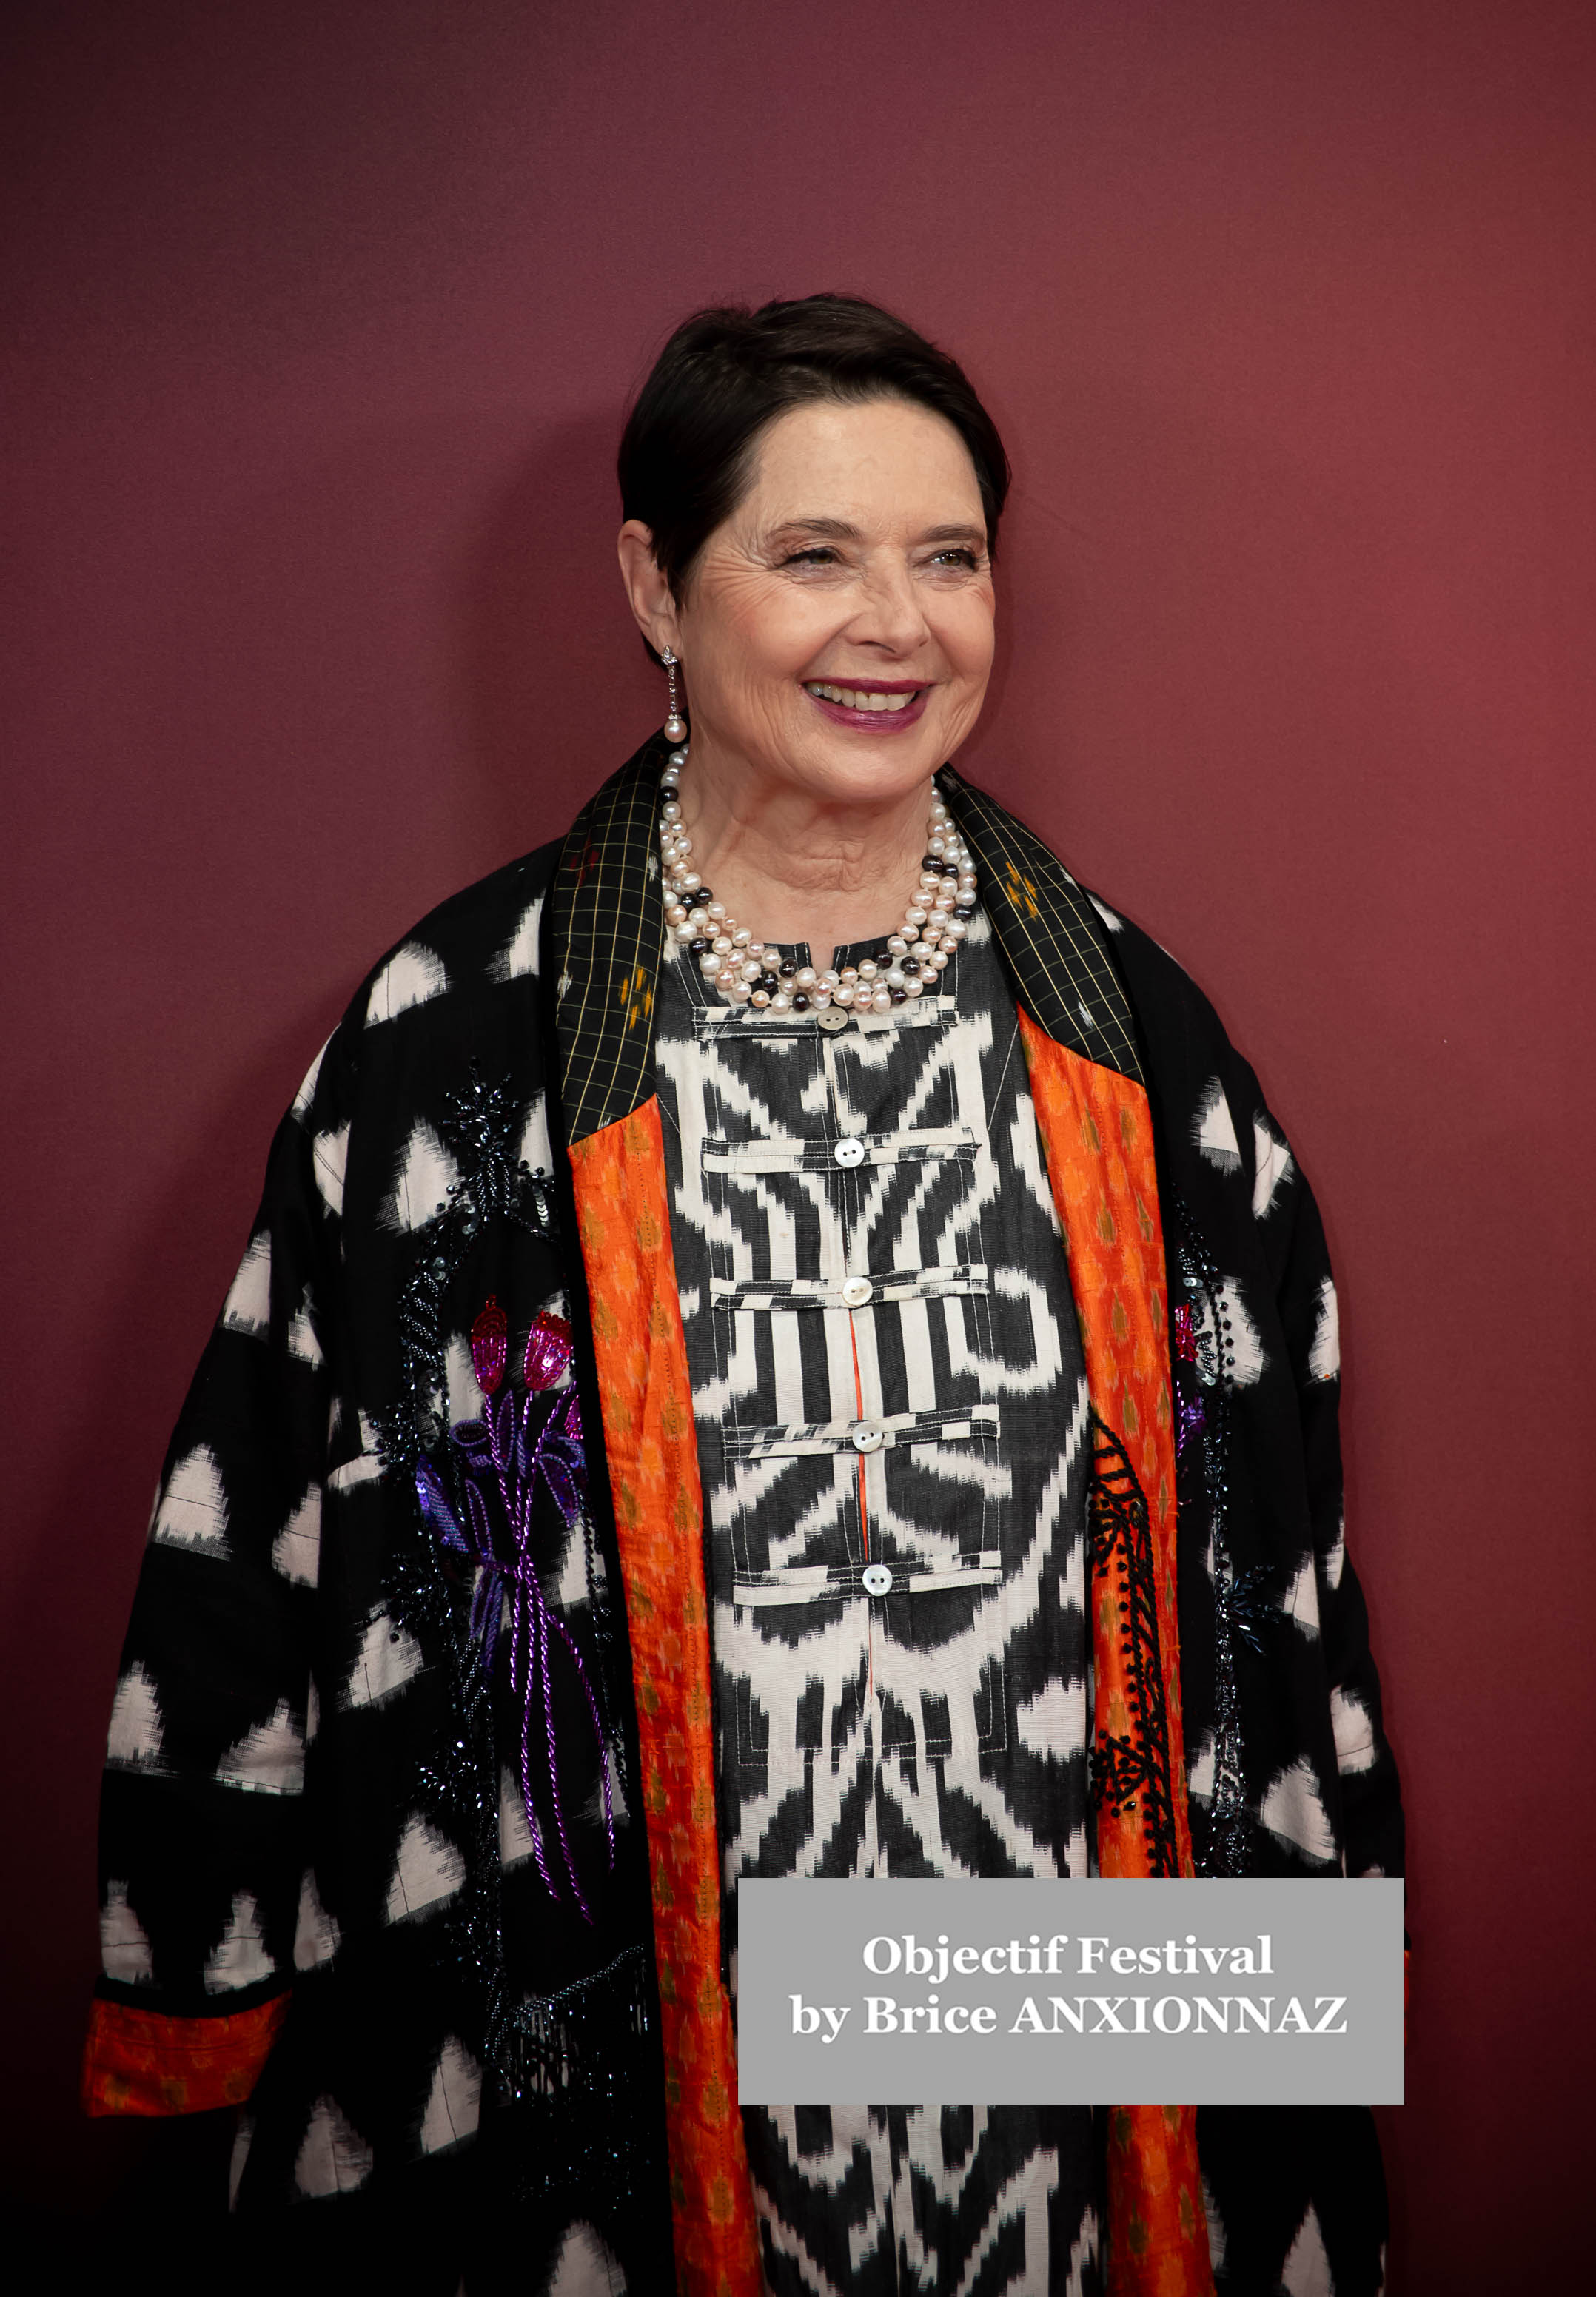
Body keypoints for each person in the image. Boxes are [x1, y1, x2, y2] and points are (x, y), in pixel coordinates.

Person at [85, 295, 1404, 2297]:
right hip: (588, 2058)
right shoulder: (448, 1046)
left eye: (947, 559)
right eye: (813, 556)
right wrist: (189, 2033)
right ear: (652, 583)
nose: (899, 623)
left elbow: (1281, 1615)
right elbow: (247, 1559)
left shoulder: (1143, 1045)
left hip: (1060, 2058)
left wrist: (1287, 2054)